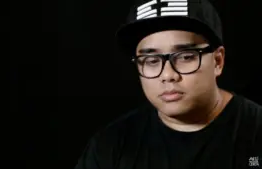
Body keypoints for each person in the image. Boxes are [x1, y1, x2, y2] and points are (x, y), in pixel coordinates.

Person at [74, 0, 262, 168]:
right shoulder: (110, 146)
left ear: (218, 61)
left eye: (185, 57)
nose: (168, 75)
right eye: (151, 60)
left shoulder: (255, 132)